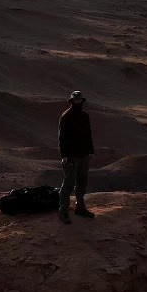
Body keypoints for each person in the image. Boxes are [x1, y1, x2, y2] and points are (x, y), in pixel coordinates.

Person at [57, 90, 94, 223]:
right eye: (75, 100)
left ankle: (80, 207)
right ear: (72, 101)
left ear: (81, 100)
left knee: (82, 182)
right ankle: (63, 211)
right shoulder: (66, 116)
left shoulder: (85, 115)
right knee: (68, 183)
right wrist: (64, 156)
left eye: (79, 99)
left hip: (84, 154)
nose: (77, 101)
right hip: (71, 156)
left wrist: (91, 151)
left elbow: (88, 134)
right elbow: (61, 138)